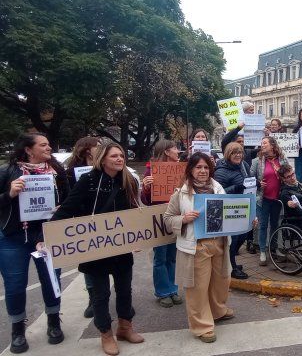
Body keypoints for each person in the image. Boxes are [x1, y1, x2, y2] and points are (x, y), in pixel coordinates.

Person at [51, 141, 144, 355]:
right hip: (95, 251)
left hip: (121, 249)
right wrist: (48, 235)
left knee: (124, 290)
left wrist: (138, 238)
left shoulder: (128, 180)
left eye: (121, 155)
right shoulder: (87, 180)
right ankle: (106, 334)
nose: (120, 159)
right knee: (100, 296)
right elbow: (67, 209)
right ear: (102, 159)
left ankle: (125, 327)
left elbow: (134, 211)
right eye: (114, 156)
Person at [0, 133, 68, 353]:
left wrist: (62, 209)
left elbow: (69, 199)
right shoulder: (7, 171)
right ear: (29, 149)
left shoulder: (57, 172)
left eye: (49, 144)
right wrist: (9, 194)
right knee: (15, 286)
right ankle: (18, 330)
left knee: (51, 280)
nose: (49, 147)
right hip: (13, 238)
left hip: (47, 236)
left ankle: (54, 322)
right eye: (44, 145)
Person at [164, 152, 235, 343]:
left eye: (206, 167)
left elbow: (231, 213)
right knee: (197, 288)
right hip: (196, 246)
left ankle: (217, 310)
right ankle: (202, 326)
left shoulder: (219, 189)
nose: (202, 171)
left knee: (220, 282)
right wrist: (183, 219)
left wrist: (246, 220)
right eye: (198, 167)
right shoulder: (180, 193)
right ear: (191, 170)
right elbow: (167, 220)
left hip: (219, 243)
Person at [140, 140, 183, 308]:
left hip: (176, 217)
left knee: (173, 256)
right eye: (175, 148)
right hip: (159, 218)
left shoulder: (181, 169)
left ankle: (173, 289)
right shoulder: (151, 170)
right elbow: (145, 200)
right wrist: (146, 187)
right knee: (160, 257)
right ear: (166, 151)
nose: (178, 151)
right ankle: (163, 291)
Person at [65, 136, 100, 318]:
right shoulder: (70, 173)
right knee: (89, 262)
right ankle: (93, 298)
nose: (102, 148)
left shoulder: (106, 168)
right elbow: (67, 196)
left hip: (106, 221)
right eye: (98, 146)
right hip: (84, 223)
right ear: (88, 150)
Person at [214, 142, 254, 279]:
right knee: (233, 239)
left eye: (240, 152)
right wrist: (235, 188)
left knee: (243, 235)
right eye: (234, 153)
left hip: (243, 206)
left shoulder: (244, 166)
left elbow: (248, 182)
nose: (238, 155)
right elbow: (218, 193)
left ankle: (230, 261)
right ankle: (231, 267)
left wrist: (256, 184)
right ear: (228, 154)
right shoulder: (221, 171)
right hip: (229, 209)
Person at [250, 137, 288, 266]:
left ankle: (275, 249)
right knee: (263, 225)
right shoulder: (257, 161)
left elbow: (289, 175)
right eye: (261, 143)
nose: (262, 145)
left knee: (275, 225)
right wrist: (258, 183)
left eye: (265, 143)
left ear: (272, 145)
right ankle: (262, 251)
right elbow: (250, 179)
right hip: (263, 199)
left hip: (278, 199)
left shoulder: (282, 160)